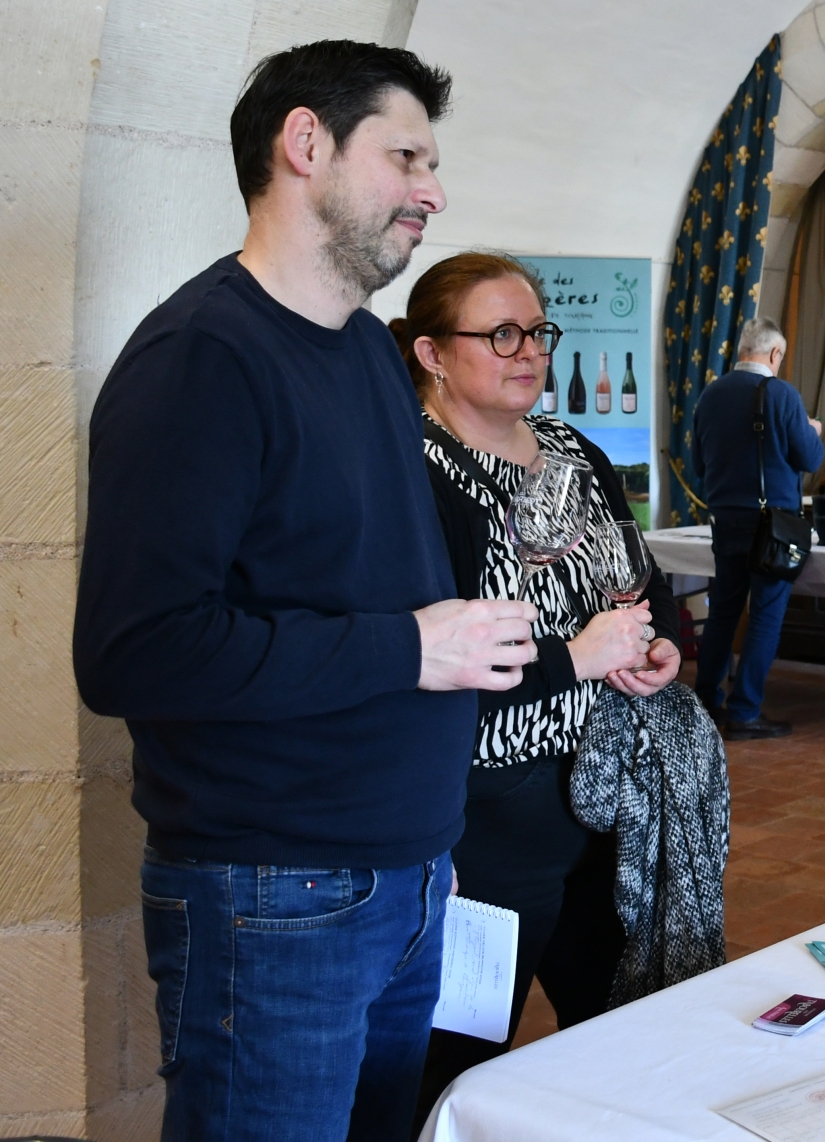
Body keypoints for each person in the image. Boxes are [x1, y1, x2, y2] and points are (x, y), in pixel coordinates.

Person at [72, 42, 541, 1142]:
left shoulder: (371, 354)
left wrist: (427, 835)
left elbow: (373, 582)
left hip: (406, 872)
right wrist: (413, 649)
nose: (433, 192)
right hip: (274, 894)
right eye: (407, 157)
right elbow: (135, 651)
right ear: (305, 144)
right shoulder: (202, 356)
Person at [390, 252, 683, 1121]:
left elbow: (640, 574)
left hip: (608, 789)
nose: (530, 352)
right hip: (487, 815)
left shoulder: (571, 449)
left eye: (538, 332)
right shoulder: (410, 473)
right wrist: (573, 658)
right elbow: (421, 659)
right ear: (433, 355)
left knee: (626, 1031)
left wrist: (658, 641)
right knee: (454, 1058)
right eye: (502, 335)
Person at [692, 316, 825, 739]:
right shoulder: (781, 394)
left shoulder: (710, 395)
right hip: (772, 527)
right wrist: (812, 431)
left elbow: (699, 465)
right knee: (765, 615)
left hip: (724, 520)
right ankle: (745, 711)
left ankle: (705, 702)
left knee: (722, 613)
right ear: (774, 353)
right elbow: (811, 458)